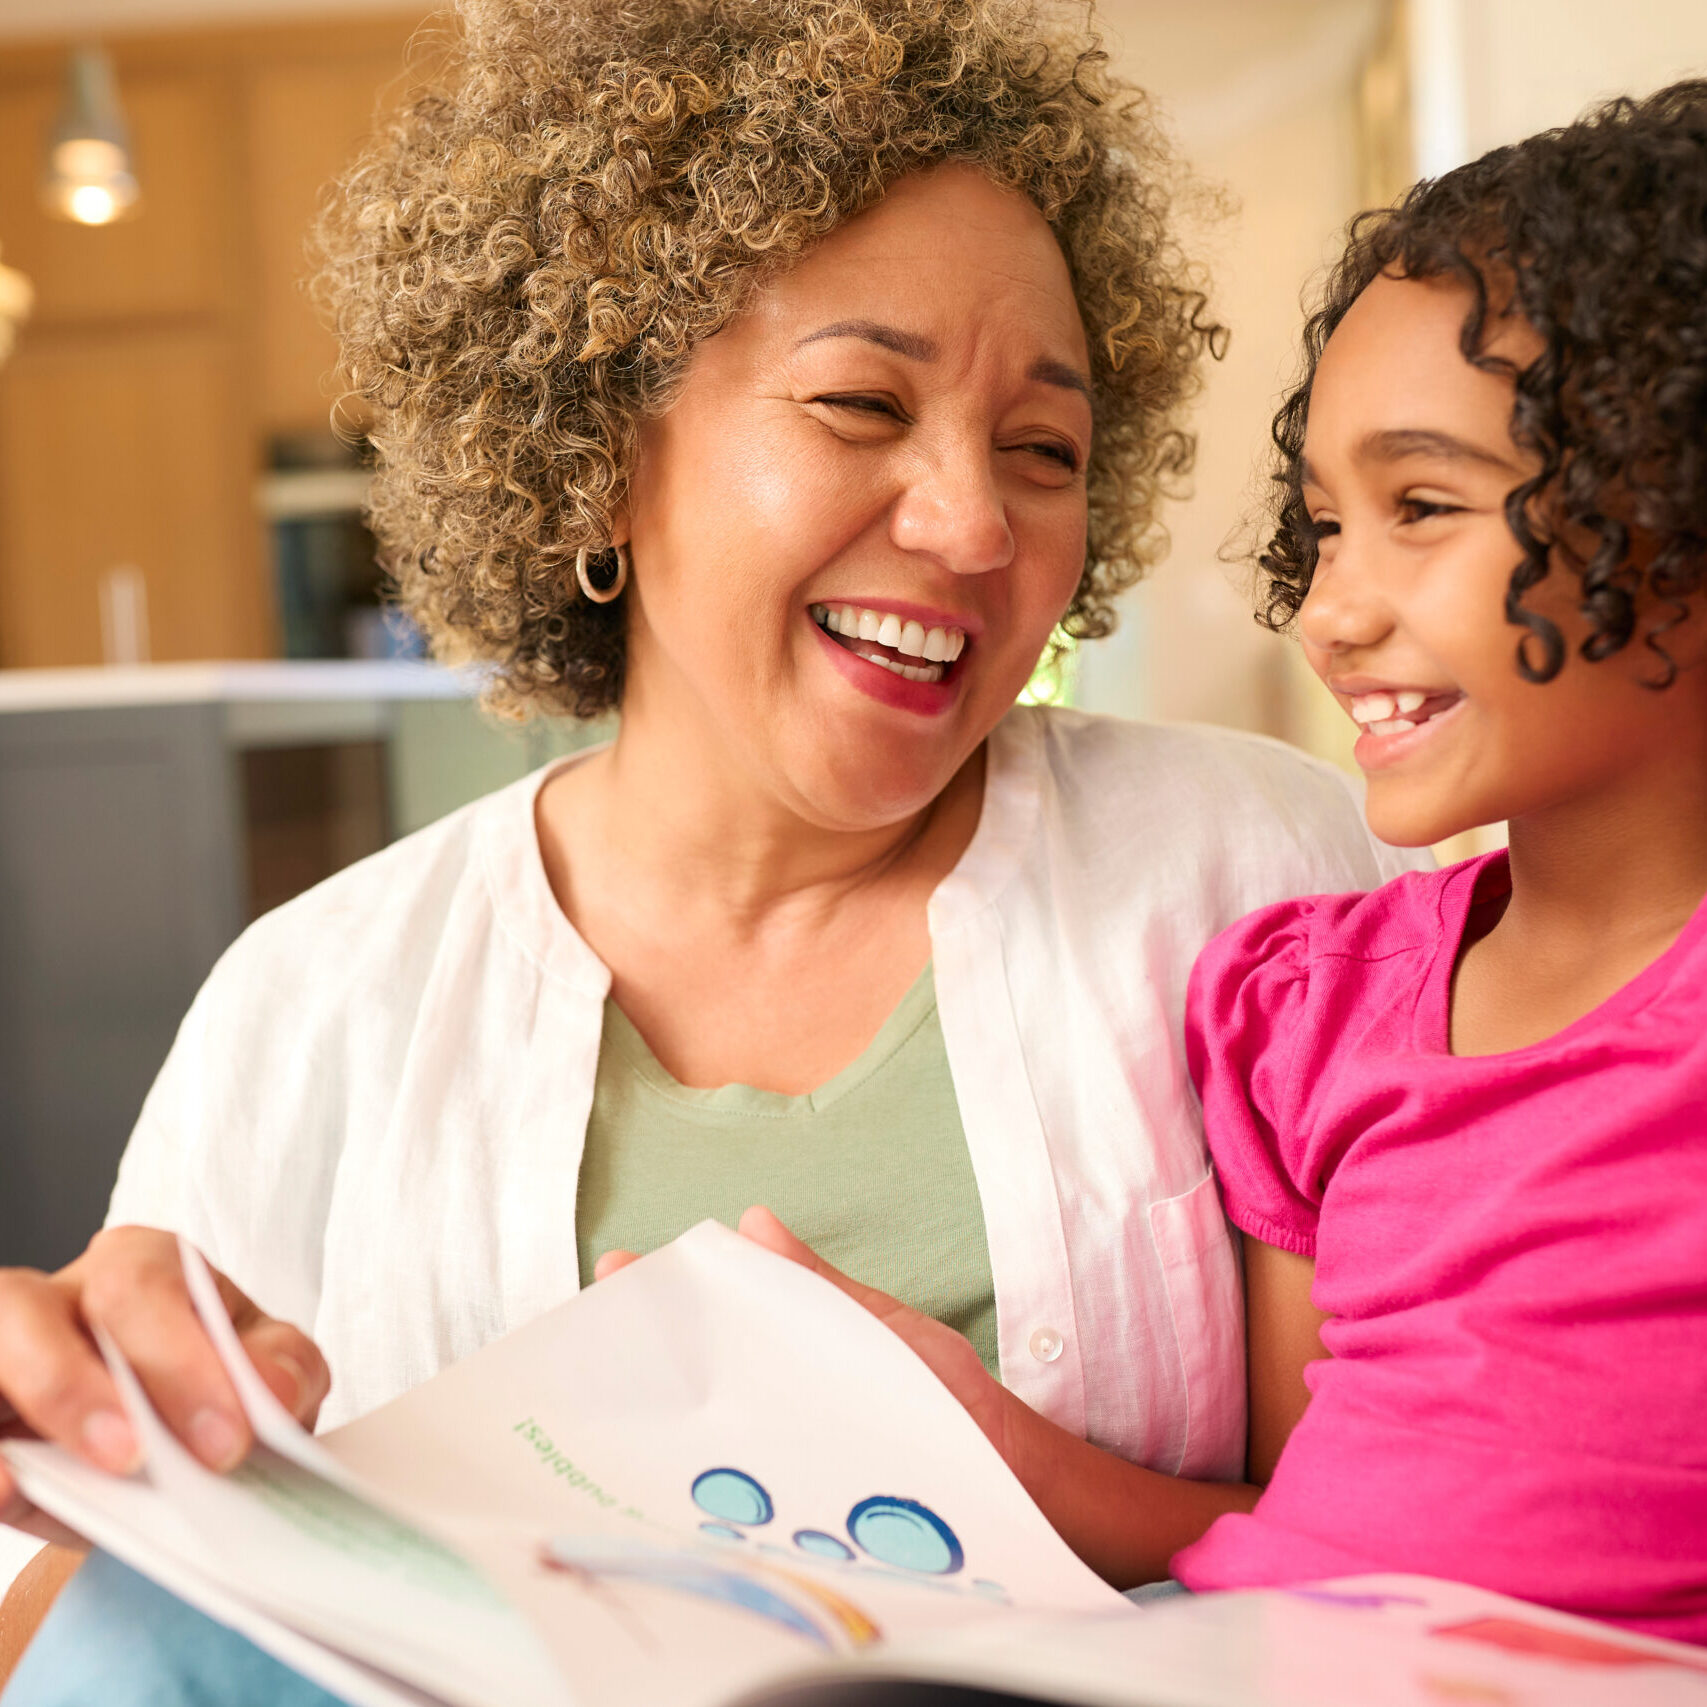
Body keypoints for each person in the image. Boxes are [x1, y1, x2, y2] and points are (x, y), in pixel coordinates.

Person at [0, 0, 1413, 1697]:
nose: (975, 525)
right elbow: (93, 1637)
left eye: (1044, 448)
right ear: (599, 456)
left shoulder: (1256, 871)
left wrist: (1029, 1487)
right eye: (858, 404)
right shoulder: (318, 1003)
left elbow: (1429, 1553)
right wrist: (95, 1464)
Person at [725, 82, 1707, 1645]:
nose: (1330, 611)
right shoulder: (1315, 1009)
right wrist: (961, 1437)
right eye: (1323, 529)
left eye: (1424, 508)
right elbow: (1289, 1512)